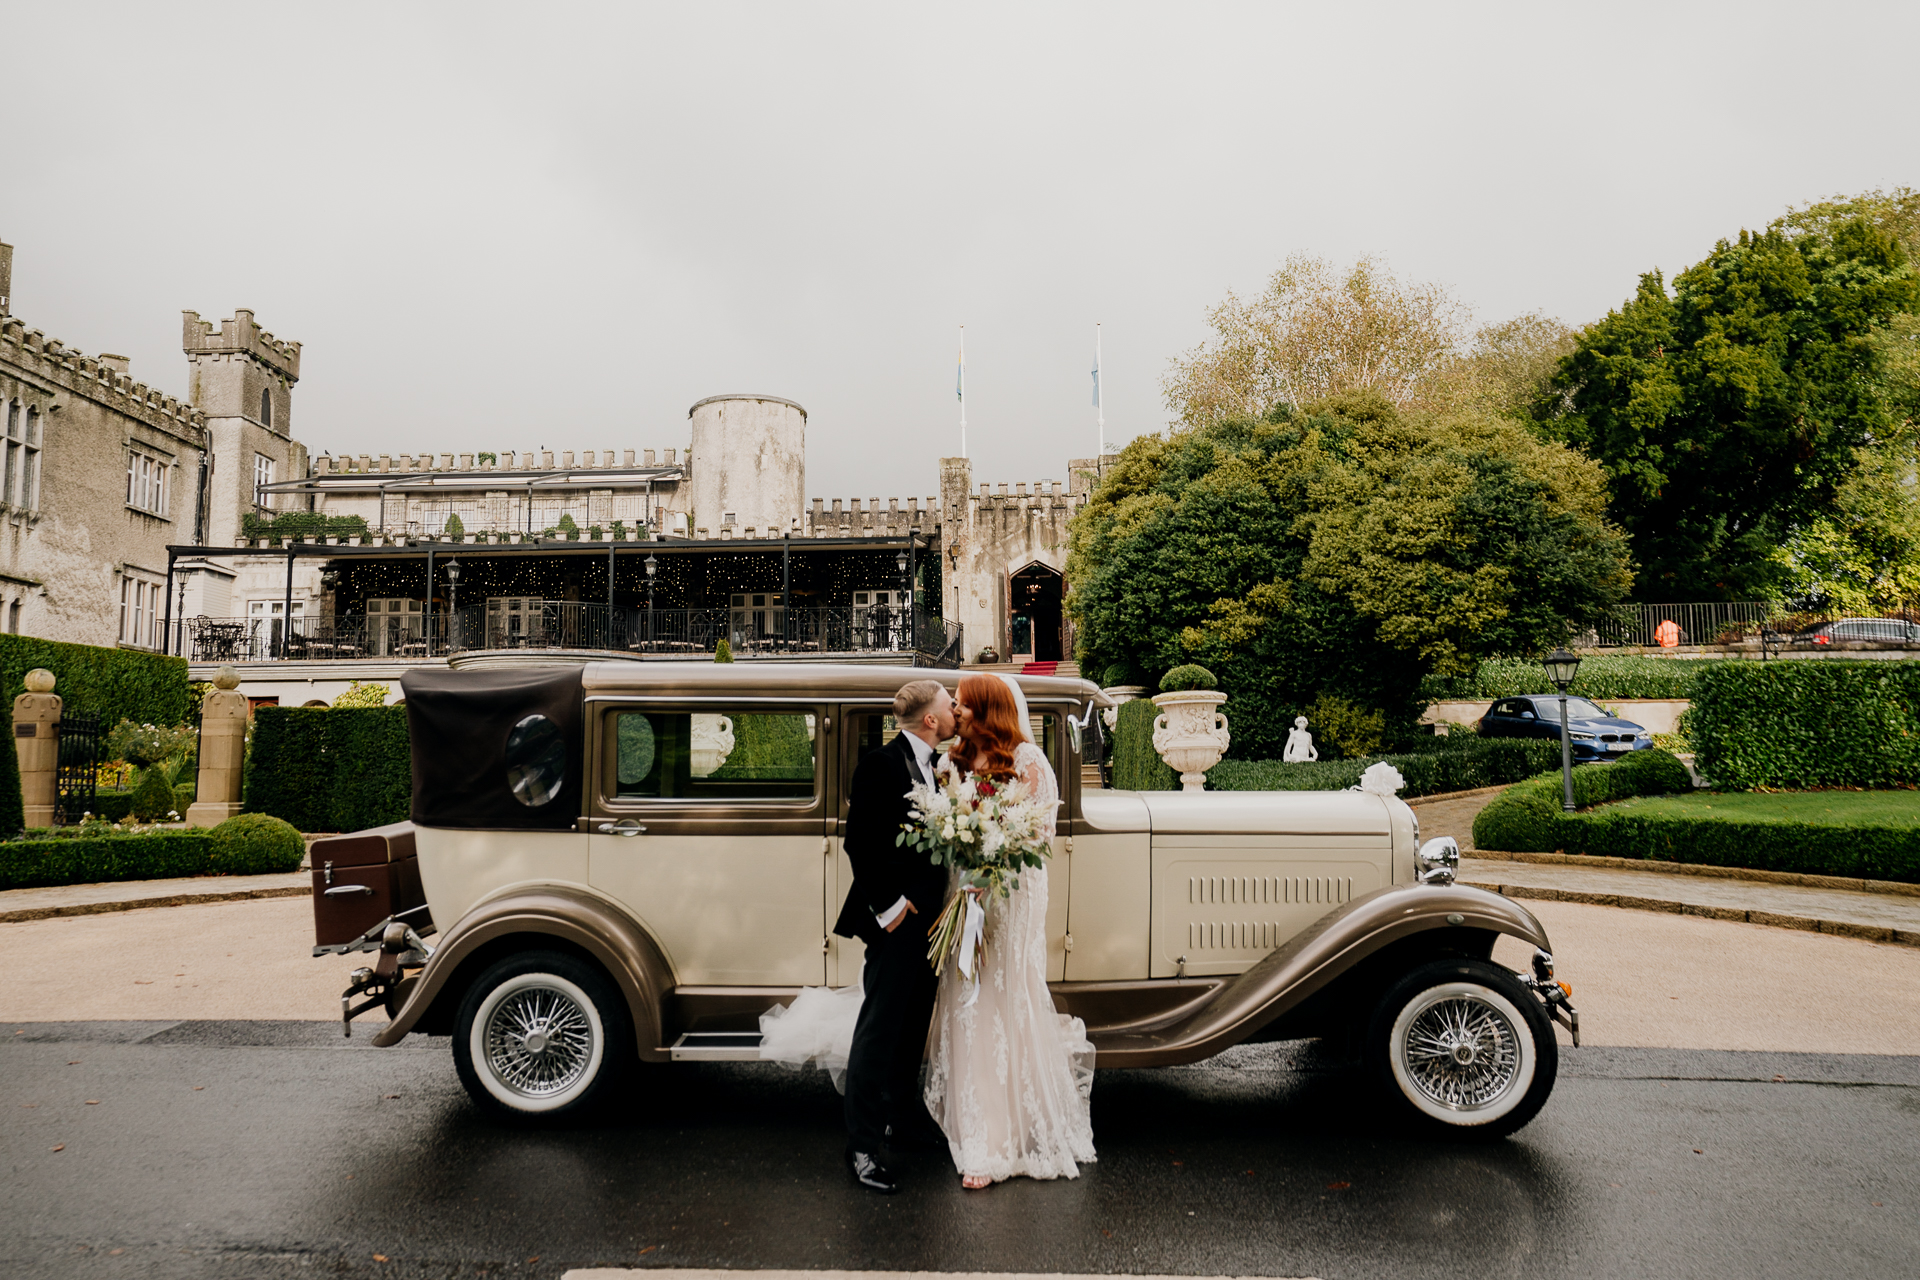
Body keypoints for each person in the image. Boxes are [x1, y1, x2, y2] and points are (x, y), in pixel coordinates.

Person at [925, 672, 1096, 1189]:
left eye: (963, 704)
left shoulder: (1028, 761)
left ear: (986, 709)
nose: (956, 711)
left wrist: (994, 853)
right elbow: (944, 822)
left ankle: (999, 1141)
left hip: (1010, 893)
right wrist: (966, 854)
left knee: (1002, 994)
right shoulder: (952, 761)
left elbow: (1038, 831)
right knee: (967, 997)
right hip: (965, 890)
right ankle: (977, 1125)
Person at [830, 678, 956, 1194]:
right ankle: (860, 1147)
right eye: (950, 707)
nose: (956, 713)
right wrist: (890, 908)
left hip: (931, 922)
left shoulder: (940, 770)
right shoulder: (880, 766)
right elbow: (858, 843)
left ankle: (904, 1118)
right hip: (898, 921)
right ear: (930, 719)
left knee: (912, 1029)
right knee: (879, 1031)